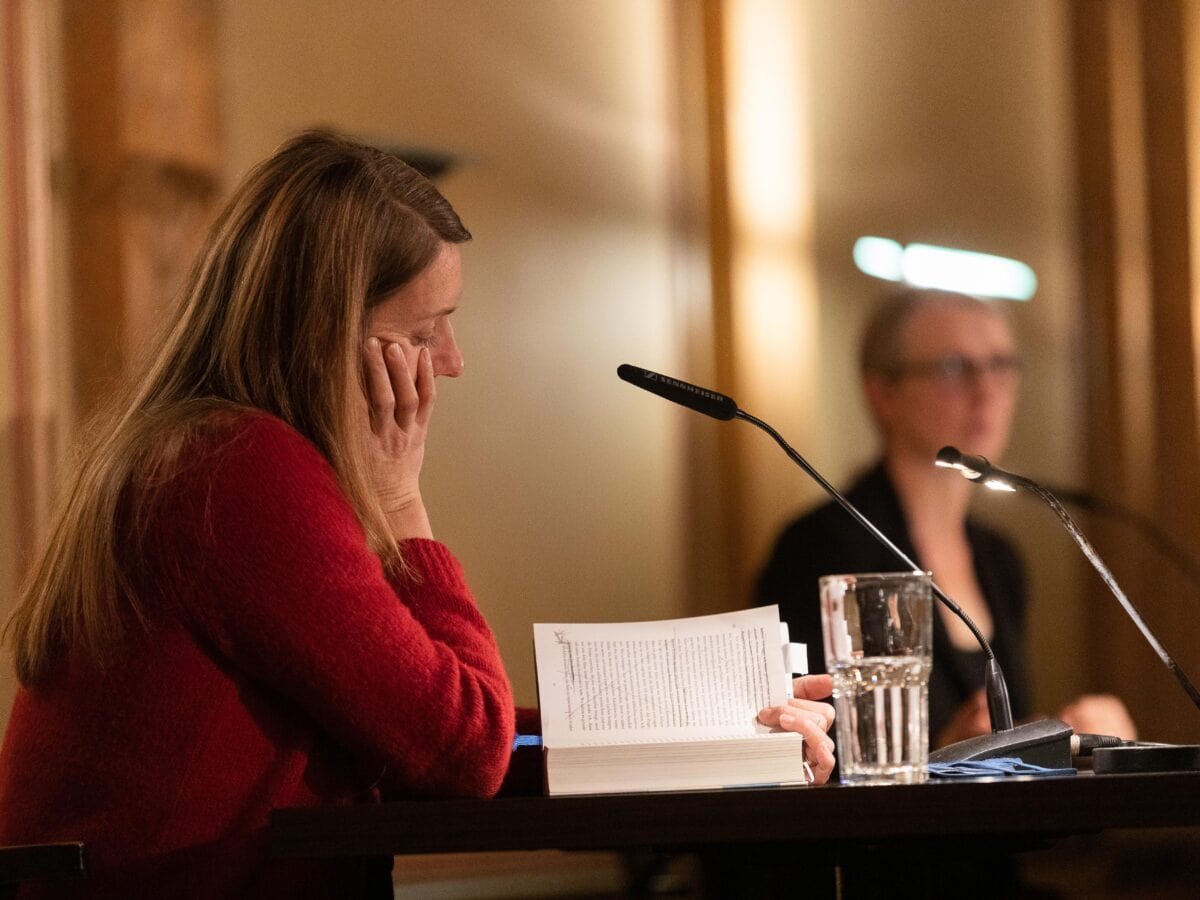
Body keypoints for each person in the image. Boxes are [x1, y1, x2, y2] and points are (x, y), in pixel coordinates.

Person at [0, 130, 835, 899]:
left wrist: (720, 729)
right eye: (426, 327)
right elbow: (459, 749)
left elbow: (420, 732)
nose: (453, 360)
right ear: (328, 335)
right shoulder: (234, 468)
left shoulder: (198, 450)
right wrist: (403, 504)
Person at [755, 287, 1136, 751]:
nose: (986, 390)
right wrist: (942, 755)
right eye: (953, 368)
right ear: (882, 395)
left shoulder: (1000, 559)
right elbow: (801, 751)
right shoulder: (819, 547)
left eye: (1000, 365)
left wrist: (1073, 735)